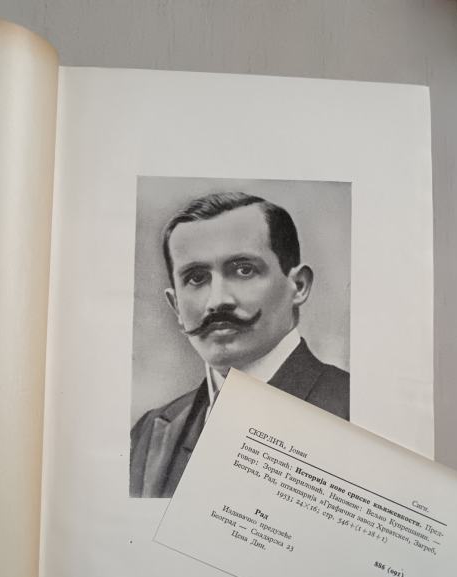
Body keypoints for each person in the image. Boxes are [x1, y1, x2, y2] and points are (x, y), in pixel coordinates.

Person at [130, 191, 349, 497]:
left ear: (298, 286)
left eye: (244, 270)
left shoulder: (352, 410)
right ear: (176, 305)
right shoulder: (150, 433)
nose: (217, 300)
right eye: (196, 278)